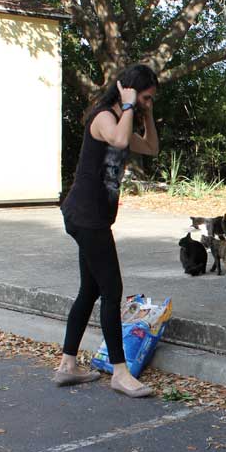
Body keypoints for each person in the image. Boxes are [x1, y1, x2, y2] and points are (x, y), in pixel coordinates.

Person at [54, 64, 160, 398]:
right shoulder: (104, 117)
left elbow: (151, 148)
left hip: (93, 217)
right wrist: (129, 106)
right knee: (112, 290)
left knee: (90, 289)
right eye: (145, 96)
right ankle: (120, 373)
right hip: (86, 217)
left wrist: (147, 113)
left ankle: (67, 366)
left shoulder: (126, 117)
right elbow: (117, 138)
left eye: (149, 99)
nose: (146, 102)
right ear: (128, 91)